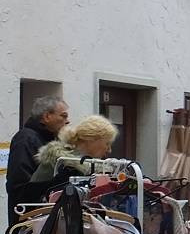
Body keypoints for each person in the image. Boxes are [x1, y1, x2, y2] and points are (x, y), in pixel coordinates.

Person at [5, 96, 68, 226]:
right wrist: (58, 182)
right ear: (46, 117)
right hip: (28, 222)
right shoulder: (26, 139)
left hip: (43, 220)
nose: (67, 121)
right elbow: (19, 188)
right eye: (63, 116)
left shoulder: (49, 140)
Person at [26, 114, 117, 204]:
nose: (109, 150)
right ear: (91, 139)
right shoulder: (61, 163)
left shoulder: (69, 162)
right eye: (107, 143)